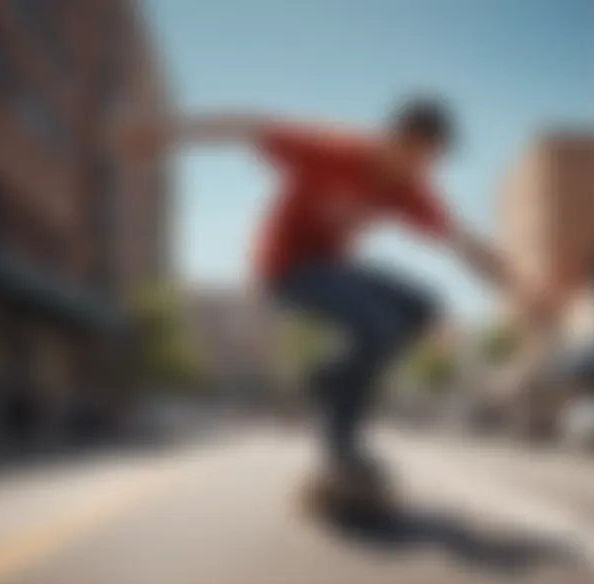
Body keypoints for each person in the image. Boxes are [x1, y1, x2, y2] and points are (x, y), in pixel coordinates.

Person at [117, 98, 544, 499]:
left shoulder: (410, 189)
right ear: (394, 137)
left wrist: (518, 286)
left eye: (426, 163)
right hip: (286, 270)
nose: (414, 172)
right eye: (412, 156)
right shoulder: (331, 150)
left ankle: (328, 378)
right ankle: (340, 439)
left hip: (333, 269)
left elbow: (461, 240)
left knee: (425, 306)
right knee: (376, 325)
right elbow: (248, 127)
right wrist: (166, 134)